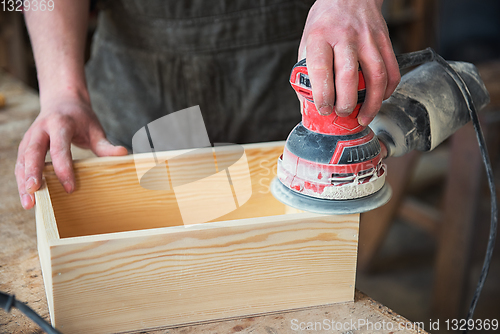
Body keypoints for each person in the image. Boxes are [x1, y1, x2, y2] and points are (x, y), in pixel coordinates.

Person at [16, 0, 400, 210]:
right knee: (159, 262)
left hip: (290, 58)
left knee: (299, 270)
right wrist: (63, 90)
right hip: (144, 79)